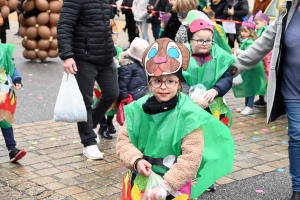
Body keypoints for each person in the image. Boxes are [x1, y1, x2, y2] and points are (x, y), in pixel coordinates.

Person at [116, 38, 234, 200]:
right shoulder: (138, 109)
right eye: (157, 81)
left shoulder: (188, 113)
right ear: (150, 83)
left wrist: (166, 187)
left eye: (170, 81)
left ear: (179, 84)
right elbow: (123, 141)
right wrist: (136, 160)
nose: (163, 87)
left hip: (173, 186)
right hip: (141, 180)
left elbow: (191, 156)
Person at [230, 1, 300, 199]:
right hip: (292, 88)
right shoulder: (287, 13)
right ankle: (298, 187)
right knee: (297, 134)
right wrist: (231, 69)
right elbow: (260, 46)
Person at [57, 0, 119, 160]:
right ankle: (89, 143)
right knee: (85, 100)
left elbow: (106, 27)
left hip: (105, 58)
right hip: (83, 57)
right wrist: (67, 56)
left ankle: (91, 125)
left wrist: (111, 52)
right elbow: (64, 26)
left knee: (112, 93)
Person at [183, 10, 234, 128]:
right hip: (190, 103)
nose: (204, 43)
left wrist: (216, 90)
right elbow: (177, 80)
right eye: (200, 40)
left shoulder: (219, 56)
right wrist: (190, 93)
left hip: (213, 102)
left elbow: (226, 77)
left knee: (213, 130)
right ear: (190, 40)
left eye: (208, 40)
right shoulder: (183, 56)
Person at [94, 19, 123, 140]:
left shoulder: (119, 50)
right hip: (100, 83)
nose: (114, 37)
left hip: (114, 81)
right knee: (100, 104)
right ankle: (103, 126)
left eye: (116, 35)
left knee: (113, 106)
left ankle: (110, 122)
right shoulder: (98, 50)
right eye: (112, 35)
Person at [232, 16, 266, 115]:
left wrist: (238, 51)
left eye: (245, 31)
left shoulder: (251, 42)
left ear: (251, 32)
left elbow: (249, 54)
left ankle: (249, 106)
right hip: (248, 69)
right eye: (241, 31)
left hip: (252, 69)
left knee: (250, 87)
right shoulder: (246, 41)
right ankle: (247, 105)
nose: (242, 33)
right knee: (247, 87)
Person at [0, 43, 26, 162]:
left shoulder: (3, 49)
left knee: (5, 120)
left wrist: (16, 79)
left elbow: (11, 67)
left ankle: (12, 149)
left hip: (3, 90)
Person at [118, 37, 149, 102]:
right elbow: (122, 84)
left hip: (140, 91)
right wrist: (124, 97)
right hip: (134, 96)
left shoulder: (138, 63)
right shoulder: (127, 66)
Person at [253, 10, 271, 107]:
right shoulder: (263, 30)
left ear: (264, 22)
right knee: (263, 77)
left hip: (267, 59)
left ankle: (265, 99)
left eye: (257, 23)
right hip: (264, 59)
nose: (255, 26)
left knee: (265, 77)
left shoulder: (265, 29)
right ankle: (262, 98)